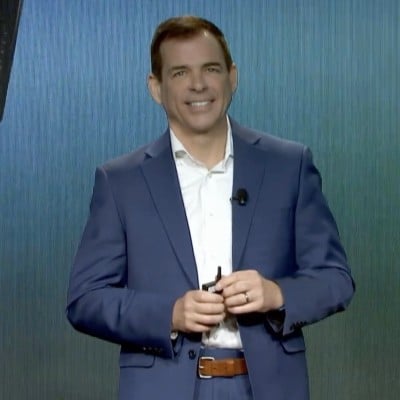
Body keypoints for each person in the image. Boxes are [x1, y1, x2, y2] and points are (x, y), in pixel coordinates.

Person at [66, 15, 355, 400]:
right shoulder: (121, 181)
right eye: (180, 72)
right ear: (156, 87)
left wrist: (276, 294)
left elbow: (335, 279)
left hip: (268, 387)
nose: (198, 84)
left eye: (211, 69)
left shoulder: (289, 165)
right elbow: (85, 299)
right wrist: (170, 314)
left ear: (232, 77)